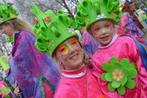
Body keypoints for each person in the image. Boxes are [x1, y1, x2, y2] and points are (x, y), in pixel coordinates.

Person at [75, 0, 147, 98]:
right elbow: (105, 87)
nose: (103, 32)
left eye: (107, 26)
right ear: (92, 33)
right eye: (97, 29)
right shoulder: (96, 59)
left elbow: (142, 68)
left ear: (113, 27)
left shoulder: (127, 42)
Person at [33, 8, 105, 98]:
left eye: (73, 43)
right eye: (63, 49)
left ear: (80, 45)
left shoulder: (95, 67)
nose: (72, 50)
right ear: (57, 59)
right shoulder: (64, 93)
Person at [0, 3, 60, 98]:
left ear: (9, 24)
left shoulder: (24, 37)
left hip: (44, 87)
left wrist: (10, 60)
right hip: (38, 88)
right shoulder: (19, 39)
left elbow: (20, 64)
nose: (2, 32)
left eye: (2, 28)